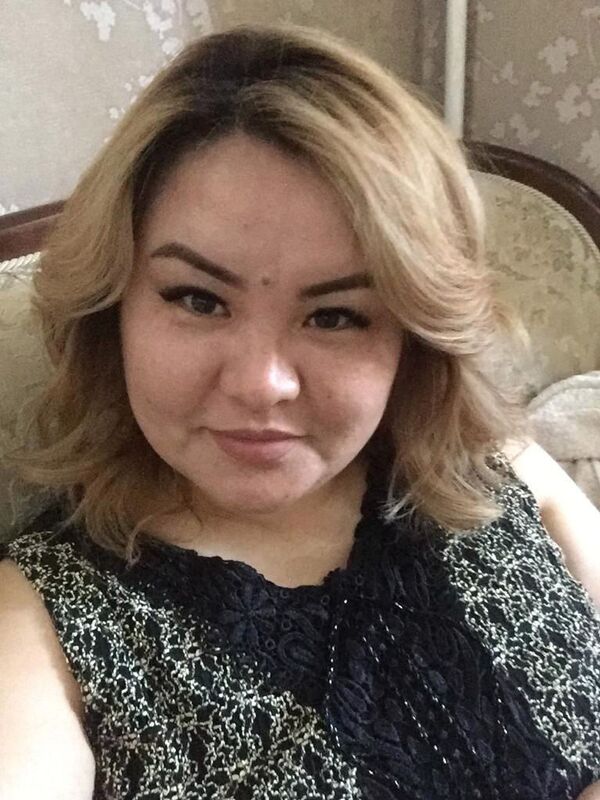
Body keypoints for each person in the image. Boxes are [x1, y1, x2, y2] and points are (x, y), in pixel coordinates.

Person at [0, 22, 599, 800]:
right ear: (113, 309)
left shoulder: (495, 467)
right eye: (197, 299)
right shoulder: (39, 619)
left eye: (336, 315)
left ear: (411, 337)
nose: (262, 384)